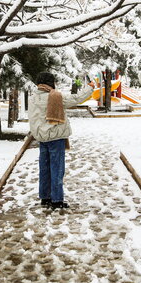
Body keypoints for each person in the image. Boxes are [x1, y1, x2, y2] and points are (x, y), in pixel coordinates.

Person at [29, 72, 94, 209]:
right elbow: (76, 98)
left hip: (42, 137)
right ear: (50, 83)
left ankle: (45, 197)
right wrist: (89, 88)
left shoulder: (33, 98)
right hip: (55, 137)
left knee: (44, 168)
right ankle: (57, 200)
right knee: (57, 169)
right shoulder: (55, 97)